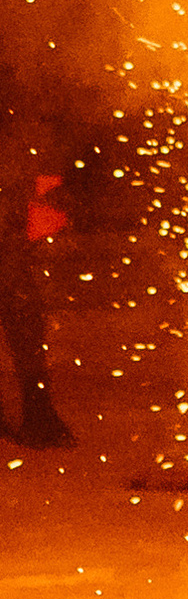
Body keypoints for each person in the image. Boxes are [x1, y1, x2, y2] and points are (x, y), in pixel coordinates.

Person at [0, 114, 75, 450]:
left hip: (11, 251)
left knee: (28, 335)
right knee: (27, 334)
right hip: (12, 251)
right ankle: (39, 418)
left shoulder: (15, 135)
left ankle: (40, 417)